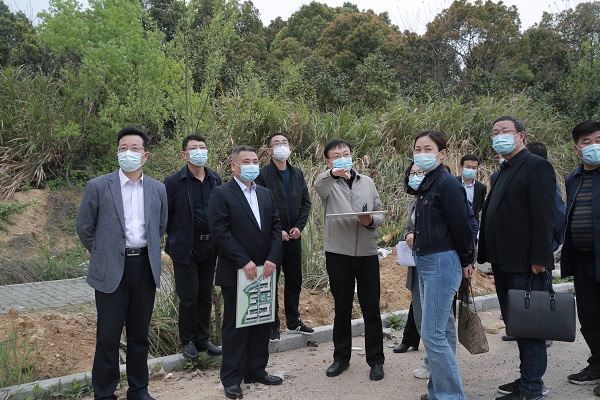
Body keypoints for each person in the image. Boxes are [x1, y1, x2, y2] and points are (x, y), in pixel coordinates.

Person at [75, 127, 168, 400]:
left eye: (135, 148)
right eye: (123, 148)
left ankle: (138, 390)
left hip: (145, 267)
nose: (129, 153)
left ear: (145, 155)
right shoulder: (98, 186)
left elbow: (160, 226)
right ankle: (104, 393)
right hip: (111, 270)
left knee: (139, 335)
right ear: (117, 153)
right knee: (108, 336)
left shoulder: (158, 189)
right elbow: (84, 227)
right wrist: (103, 253)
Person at [478, 116, 556, 400]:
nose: (499, 136)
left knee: (530, 326)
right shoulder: (503, 170)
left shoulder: (536, 166)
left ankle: (532, 387)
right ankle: (527, 377)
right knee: (517, 324)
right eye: (495, 132)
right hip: (504, 262)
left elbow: (544, 215)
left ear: (521, 136)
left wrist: (540, 258)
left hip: (527, 263)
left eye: (505, 131)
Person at [207, 145, 283, 399]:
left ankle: (256, 370)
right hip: (237, 272)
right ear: (234, 166)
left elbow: (276, 227)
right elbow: (220, 231)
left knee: (261, 321)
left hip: (265, 271)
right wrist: (243, 261)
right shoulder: (221, 193)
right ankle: (231, 378)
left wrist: (272, 258)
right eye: (246, 161)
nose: (251, 165)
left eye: (254, 161)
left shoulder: (265, 193)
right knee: (236, 326)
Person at [313, 139, 385, 381]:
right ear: (328, 161)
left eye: (346, 153)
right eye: (336, 156)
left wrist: (370, 220)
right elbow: (318, 185)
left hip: (367, 252)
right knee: (342, 308)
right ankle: (341, 358)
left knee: (371, 308)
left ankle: (376, 360)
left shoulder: (367, 182)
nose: (343, 158)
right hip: (338, 253)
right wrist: (333, 174)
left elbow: (379, 212)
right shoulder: (328, 184)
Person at [410, 131, 473, 400]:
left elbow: (462, 227)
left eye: (428, 148)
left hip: (441, 262)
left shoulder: (447, 184)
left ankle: (451, 396)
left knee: (433, 334)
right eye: (418, 149)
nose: (422, 153)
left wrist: (467, 260)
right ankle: (437, 392)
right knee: (438, 332)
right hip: (427, 262)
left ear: (442, 153)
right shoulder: (427, 183)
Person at [163, 134, 223, 360]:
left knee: (205, 294)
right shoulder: (173, 182)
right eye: (193, 148)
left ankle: (203, 338)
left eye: (202, 147)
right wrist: (177, 235)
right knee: (189, 296)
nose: (199, 151)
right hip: (185, 247)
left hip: (211, 245)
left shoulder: (215, 179)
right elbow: (166, 216)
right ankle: (187, 340)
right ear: (184, 154)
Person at [255, 133, 313, 342]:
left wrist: (299, 227)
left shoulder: (297, 173)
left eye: (284, 143)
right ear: (270, 150)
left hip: (294, 237)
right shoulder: (263, 175)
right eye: (276, 144)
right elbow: (260, 206)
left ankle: (293, 321)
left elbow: (306, 203)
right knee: (271, 280)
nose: (281, 146)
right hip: (273, 238)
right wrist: (275, 230)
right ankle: (272, 324)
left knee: (294, 280)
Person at [561, 120, 600, 398]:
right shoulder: (572, 178)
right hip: (582, 260)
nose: (593, 146)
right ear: (577, 149)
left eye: (598, 140)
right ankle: (597, 364)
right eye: (587, 142)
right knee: (589, 317)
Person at [457, 154, 487, 224]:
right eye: (468, 167)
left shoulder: (481, 188)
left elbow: (479, 206)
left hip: (472, 223)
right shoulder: (453, 183)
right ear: (461, 167)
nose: (471, 170)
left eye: (474, 168)